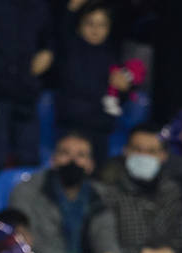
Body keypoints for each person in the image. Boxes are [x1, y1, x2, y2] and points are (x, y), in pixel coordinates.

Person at [8, 131, 121, 253]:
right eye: (65, 153)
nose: (72, 161)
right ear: (53, 159)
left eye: (81, 155)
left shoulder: (100, 195)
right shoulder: (27, 192)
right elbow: (26, 244)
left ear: (90, 164)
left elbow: (106, 232)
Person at [97, 125, 182, 253]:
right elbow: (106, 245)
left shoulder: (174, 192)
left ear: (163, 155)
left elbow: (181, 241)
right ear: (125, 151)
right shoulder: (108, 192)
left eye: (151, 151)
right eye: (137, 149)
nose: (143, 156)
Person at [0, 0, 54, 204]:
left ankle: (30, 214)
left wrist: (48, 52)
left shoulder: (40, 6)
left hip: (28, 94)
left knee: (29, 160)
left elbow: (50, 41)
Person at [53, 2, 136, 165]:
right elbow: (60, 28)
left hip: (100, 129)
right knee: (70, 173)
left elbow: (118, 99)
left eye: (102, 25)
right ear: (79, 26)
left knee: (98, 177)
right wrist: (71, 9)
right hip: (71, 127)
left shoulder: (112, 57)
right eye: (90, 23)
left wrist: (124, 89)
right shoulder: (69, 49)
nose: (95, 29)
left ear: (109, 28)